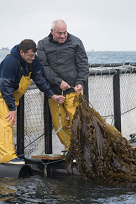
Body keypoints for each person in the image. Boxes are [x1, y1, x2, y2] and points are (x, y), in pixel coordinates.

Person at [0, 39, 65, 164]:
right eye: (31, 55)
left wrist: (53, 95)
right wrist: (12, 109)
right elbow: (5, 87)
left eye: (34, 55)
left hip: (11, 96)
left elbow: (39, 79)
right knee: (6, 122)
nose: (33, 58)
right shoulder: (10, 62)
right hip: (0, 94)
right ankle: (8, 157)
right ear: (22, 52)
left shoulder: (33, 61)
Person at [37, 19, 89, 154]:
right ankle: (70, 149)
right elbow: (43, 66)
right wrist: (58, 81)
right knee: (60, 124)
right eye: (59, 33)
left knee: (77, 122)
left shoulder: (76, 42)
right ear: (52, 32)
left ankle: (81, 149)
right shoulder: (42, 44)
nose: (63, 36)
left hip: (74, 92)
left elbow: (83, 65)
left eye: (65, 32)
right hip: (55, 93)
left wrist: (80, 82)